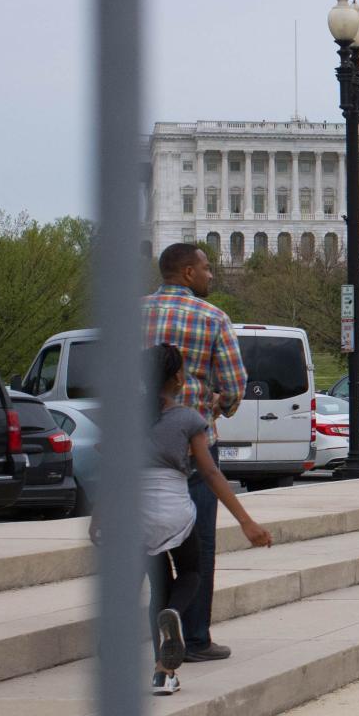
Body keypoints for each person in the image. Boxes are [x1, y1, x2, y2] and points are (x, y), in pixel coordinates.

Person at [142, 343, 271, 695]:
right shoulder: (186, 419)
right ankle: (169, 637)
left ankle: (164, 674)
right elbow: (211, 473)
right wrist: (246, 521)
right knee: (192, 572)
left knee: (159, 586)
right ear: (179, 377)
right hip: (174, 510)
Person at [143, 243, 246, 662]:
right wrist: (218, 403)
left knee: (147, 547)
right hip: (193, 446)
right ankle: (196, 636)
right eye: (206, 268)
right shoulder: (213, 318)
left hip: (139, 449)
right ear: (187, 273)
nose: (211, 275)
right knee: (198, 545)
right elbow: (235, 385)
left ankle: (158, 635)